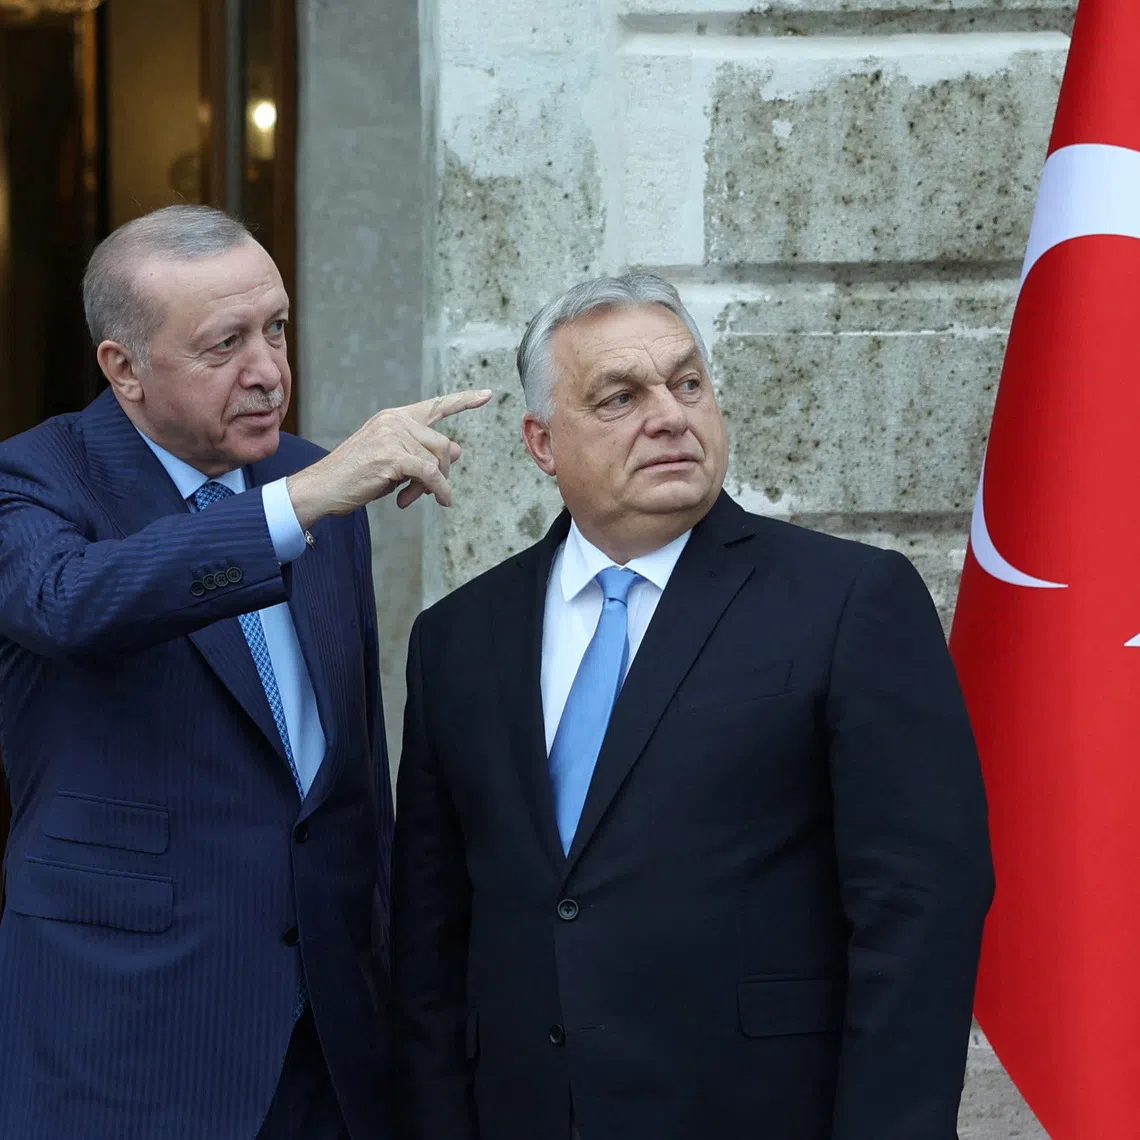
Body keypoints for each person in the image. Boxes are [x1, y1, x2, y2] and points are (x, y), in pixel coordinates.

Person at [391, 273, 995, 1140]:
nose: (670, 416)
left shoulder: (849, 601)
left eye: (687, 384)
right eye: (619, 398)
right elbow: (430, 936)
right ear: (541, 442)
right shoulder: (458, 638)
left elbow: (920, 909)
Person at [0, 204, 489, 1140]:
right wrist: (299, 503)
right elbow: (71, 602)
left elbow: (349, 772)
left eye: (276, 328)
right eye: (224, 345)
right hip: (130, 1044)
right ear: (125, 368)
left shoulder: (314, 484)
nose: (267, 370)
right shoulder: (35, 481)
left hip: (331, 1039)